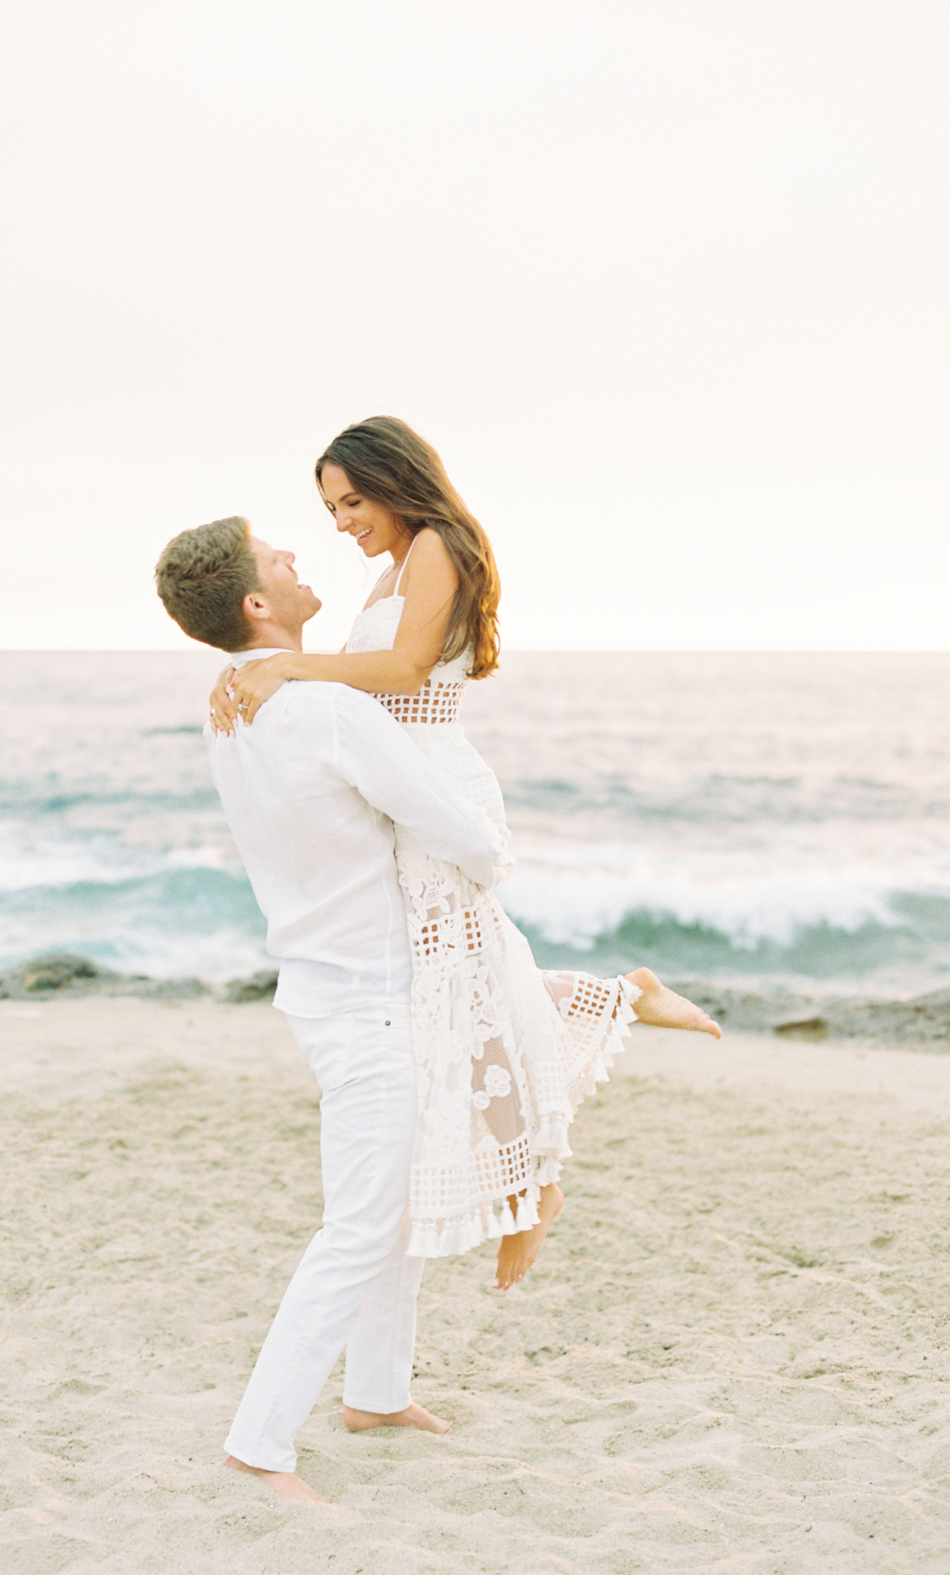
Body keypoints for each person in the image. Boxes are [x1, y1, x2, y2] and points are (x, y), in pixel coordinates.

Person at [210, 417, 721, 1293]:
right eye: (331, 509)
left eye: (352, 501)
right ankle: (622, 999)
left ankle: (539, 1183)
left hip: (434, 787)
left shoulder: (439, 545)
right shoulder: (392, 568)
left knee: (463, 989)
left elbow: (405, 673)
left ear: (395, 480)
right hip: (402, 789)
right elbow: (366, 681)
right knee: (460, 987)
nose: (341, 523)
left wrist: (290, 671)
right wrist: (264, 668)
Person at [154, 516, 516, 1502]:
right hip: (369, 998)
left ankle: (377, 1392)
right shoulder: (327, 712)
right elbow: (466, 836)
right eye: (277, 560)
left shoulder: (230, 706)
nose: (298, 558)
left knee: (389, 1202)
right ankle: (258, 1445)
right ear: (257, 606)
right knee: (361, 1223)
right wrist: (488, 853)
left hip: (322, 984)